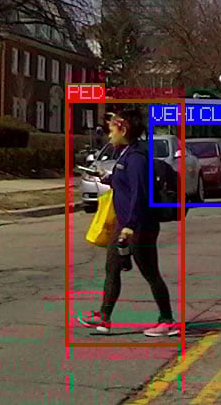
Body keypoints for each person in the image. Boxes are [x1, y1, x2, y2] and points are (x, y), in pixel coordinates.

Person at [77, 108, 178, 337]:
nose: (109, 134)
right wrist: (108, 178)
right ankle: (104, 318)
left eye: (112, 129)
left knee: (150, 272)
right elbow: (124, 184)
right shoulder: (126, 154)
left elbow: (139, 194)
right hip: (124, 224)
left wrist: (130, 226)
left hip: (139, 226)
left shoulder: (137, 158)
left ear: (123, 130)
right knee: (112, 268)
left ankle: (167, 320)